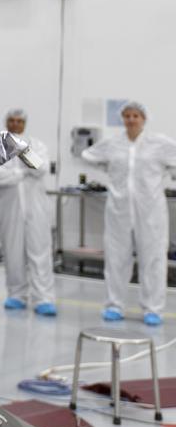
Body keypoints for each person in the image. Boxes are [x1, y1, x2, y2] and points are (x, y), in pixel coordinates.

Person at [81, 101, 176, 325]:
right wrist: (107, 168)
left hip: (150, 211)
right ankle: (115, 305)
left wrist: (169, 172)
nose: (131, 119)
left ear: (144, 119)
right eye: (127, 116)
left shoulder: (158, 144)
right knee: (116, 258)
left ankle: (153, 309)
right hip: (119, 210)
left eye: (136, 115)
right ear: (122, 119)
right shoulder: (113, 144)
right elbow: (88, 155)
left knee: (152, 259)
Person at [0, 109, 56, 316]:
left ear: (25, 124)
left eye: (20, 121)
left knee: (40, 253)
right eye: (12, 120)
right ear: (6, 122)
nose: (16, 124)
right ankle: (16, 295)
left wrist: (22, 156)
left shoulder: (36, 145)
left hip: (36, 209)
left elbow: (41, 169)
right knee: (13, 253)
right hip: (9, 211)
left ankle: (43, 298)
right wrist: (23, 171)